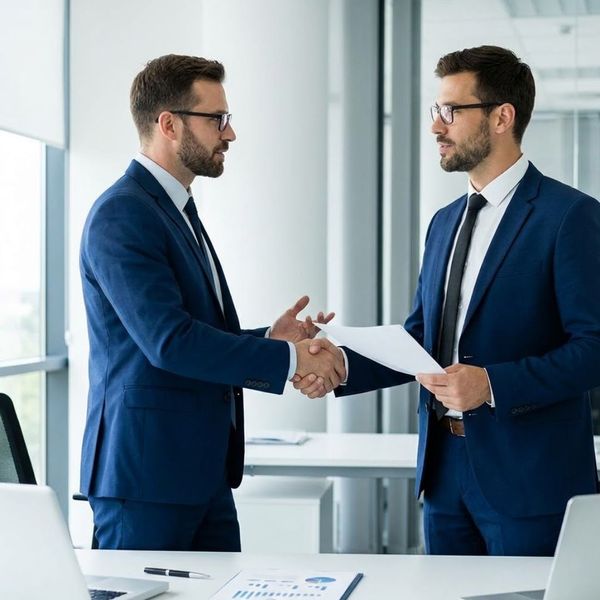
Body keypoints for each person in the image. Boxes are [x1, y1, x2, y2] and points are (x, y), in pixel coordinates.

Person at [296, 45, 600, 556]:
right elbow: (423, 342)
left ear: (503, 117)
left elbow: (594, 347)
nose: (436, 126)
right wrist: (341, 364)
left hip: (529, 481)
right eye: (437, 111)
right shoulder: (444, 223)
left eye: (452, 111)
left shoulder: (570, 217)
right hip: (443, 478)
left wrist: (492, 384)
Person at [79, 54, 346, 552]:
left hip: (201, 474)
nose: (230, 133)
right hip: (146, 481)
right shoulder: (123, 214)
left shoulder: (176, 208)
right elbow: (169, 342)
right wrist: (289, 361)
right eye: (217, 119)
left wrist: (270, 340)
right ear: (169, 124)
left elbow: (186, 330)